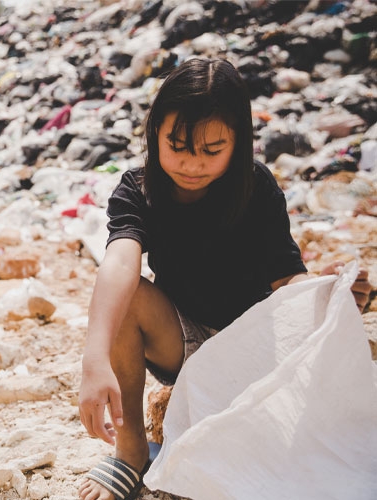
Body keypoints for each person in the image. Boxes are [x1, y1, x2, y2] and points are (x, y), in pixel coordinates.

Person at [77, 58, 371, 500]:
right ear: (154, 131)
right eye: (177, 145)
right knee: (128, 295)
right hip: (184, 343)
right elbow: (120, 262)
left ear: (239, 142)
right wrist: (93, 357)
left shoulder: (256, 189)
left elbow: (287, 281)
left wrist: (327, 293)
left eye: (211, 150)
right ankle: (132, 451)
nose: (191, 163)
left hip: (255, 348)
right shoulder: (138, 190)